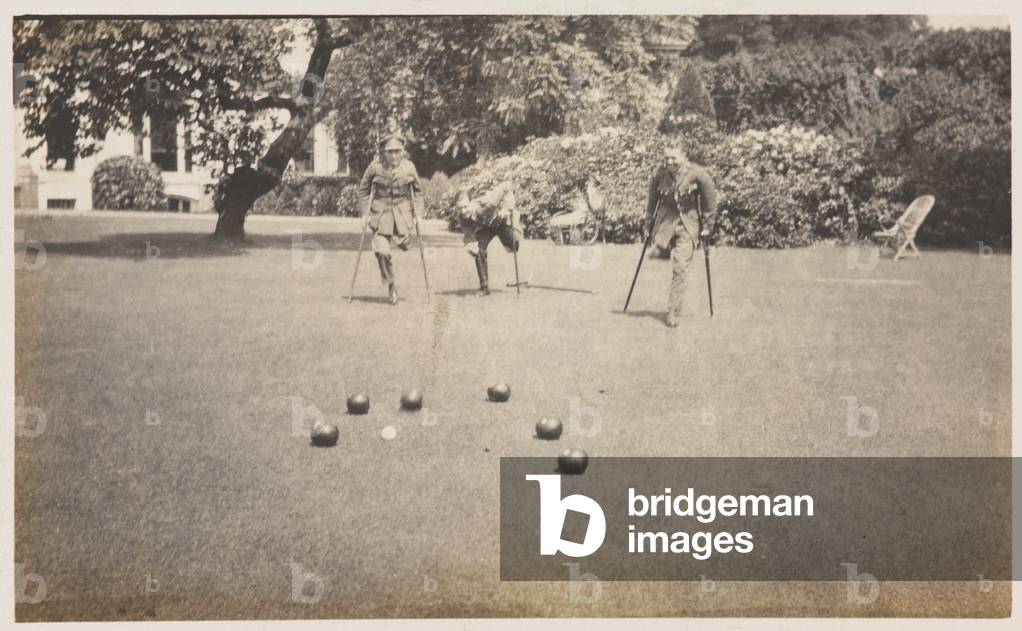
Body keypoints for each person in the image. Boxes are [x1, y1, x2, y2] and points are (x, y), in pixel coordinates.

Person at [644, 145, 718, 328]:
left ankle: (672, 311)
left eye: (673, 158)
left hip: (688, 224)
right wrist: (648, 222)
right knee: (660, 246)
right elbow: (652, 200)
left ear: (683, 156)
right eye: (666, 158)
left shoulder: (697, 173)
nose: (669, 162)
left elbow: (710, 201)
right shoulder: (659, 173)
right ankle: (661, 249)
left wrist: (707, 227)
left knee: (680, 267)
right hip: (666, 222)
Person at [356, 134, 423, 305]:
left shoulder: (409, 167)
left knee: (405, 243)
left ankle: (402, 239)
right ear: (383, 153)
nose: (394, 156)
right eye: (390, 152)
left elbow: (418, 192)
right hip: (381, 215)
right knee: (383, 252)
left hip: (402, 215)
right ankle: (391, 285)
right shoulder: (375, 167)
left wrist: (418, 216)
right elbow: (363, 191)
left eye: (397, 152)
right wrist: (365, 213)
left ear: (402, 152)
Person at [455, 180, 521, 297]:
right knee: (478, 250)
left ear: (471, 202)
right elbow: (469, 234)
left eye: (465, 207)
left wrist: (507, 208)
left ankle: (513, 240)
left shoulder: (487, 202)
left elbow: (506, 186)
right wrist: (470, 244)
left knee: (514, 246)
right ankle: (484, 287)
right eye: (460, 208)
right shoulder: (461, 216)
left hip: (502, 221)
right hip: (486, 227)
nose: (463, 211)